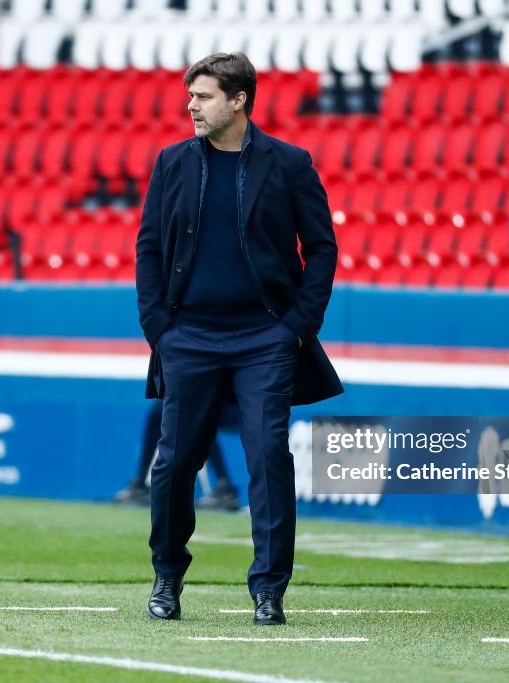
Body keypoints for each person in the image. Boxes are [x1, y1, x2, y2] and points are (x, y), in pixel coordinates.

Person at [135, 52, 342, 625]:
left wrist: (297, 328)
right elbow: (149, 247)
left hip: (265, 339)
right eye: (190, 97)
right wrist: (160, 330)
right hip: (188, 337)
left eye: (202, 97)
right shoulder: (171, 162)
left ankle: (269, 590)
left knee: (269, 457)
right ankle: (167, 576)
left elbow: (322, 248)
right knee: (174, 463)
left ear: (238, 99)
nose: (191, 107)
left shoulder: (290, 163)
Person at [114, 399, 241, 511]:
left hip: (245, 400)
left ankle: (225, 488)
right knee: (160, 408)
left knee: (198, 410)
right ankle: (140, 484)